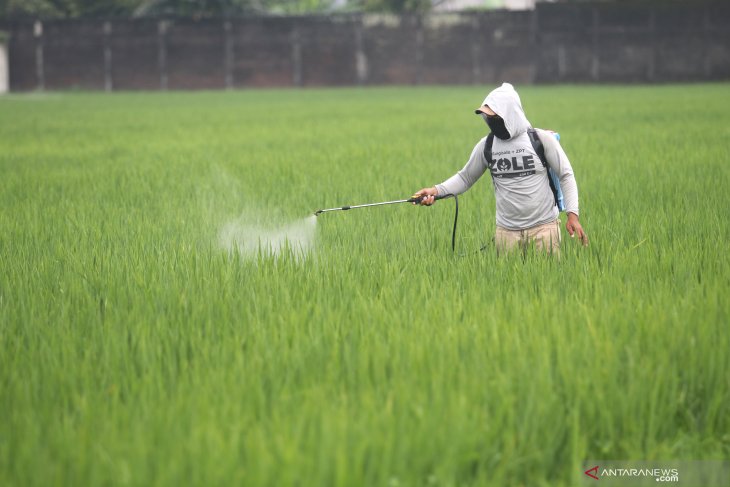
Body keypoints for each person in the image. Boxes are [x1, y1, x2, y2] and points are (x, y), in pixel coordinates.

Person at [413, 83, 588, 254]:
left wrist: (573, 215)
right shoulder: (487, 145)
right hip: (506, 234)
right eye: (488, 117)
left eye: (495, 117)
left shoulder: (541, 139)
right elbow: (465, 178)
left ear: (511, 114)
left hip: (544, 229)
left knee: (545, 281)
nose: (491, 121)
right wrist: (436, 191)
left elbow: (566, 175)